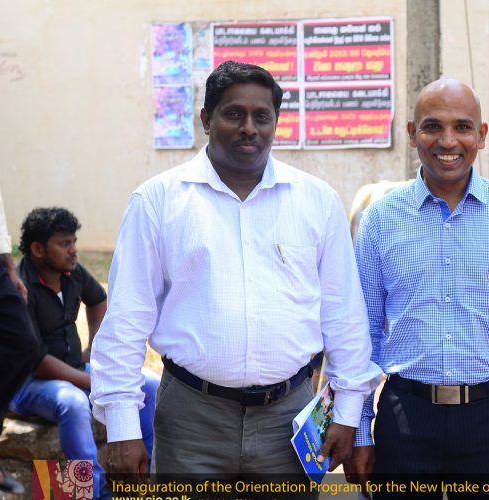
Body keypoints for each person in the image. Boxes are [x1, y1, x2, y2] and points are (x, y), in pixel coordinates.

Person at [89, 61, 382, 484]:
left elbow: (343, 315)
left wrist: (348, 413)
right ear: (206, 119)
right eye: (234, 114)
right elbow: (126, 318)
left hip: (289, 421)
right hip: (190, 420)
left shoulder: (316, 200)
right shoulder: (158, 201)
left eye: (262, 116)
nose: (249, 128)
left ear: (275, 122)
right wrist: (121, 426)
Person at [347, 78, 489, 498]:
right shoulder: (380, 219)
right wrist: (361, 428)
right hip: (404, 417)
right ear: (412, 134)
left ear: (481, 135)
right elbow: (361, 330)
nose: (447, 141)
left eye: (462, 127)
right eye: (432, 126)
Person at [10, 207, 158, 496]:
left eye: (74, 241)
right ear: (38, 249)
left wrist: (94, 349)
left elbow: (98, 299)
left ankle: (143, 478)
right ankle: (94, 492)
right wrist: (97, 381)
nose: (73, 250)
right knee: (74, 403)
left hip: (73, 368)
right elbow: (37, 362)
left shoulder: (72, 273)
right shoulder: (21, 288)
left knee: (149, 384)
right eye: (64, 244)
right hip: (28, 383)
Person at [0, 182, 40, 495]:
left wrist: (8, 265)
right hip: (50, 392)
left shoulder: (79, 279)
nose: (73, 250)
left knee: (23, 344)